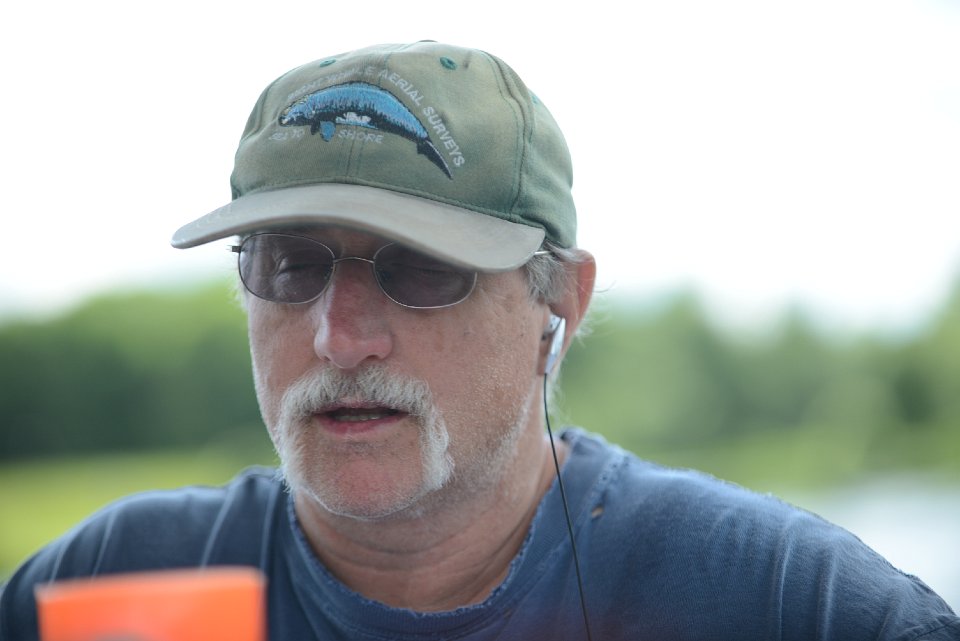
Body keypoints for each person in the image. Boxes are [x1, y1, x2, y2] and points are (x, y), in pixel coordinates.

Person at [2, 41, 957, 641]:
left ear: (559, 303)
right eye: (290, 265)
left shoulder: (785, 604)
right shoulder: (102, 588)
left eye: (421, 268)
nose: (340, 335)